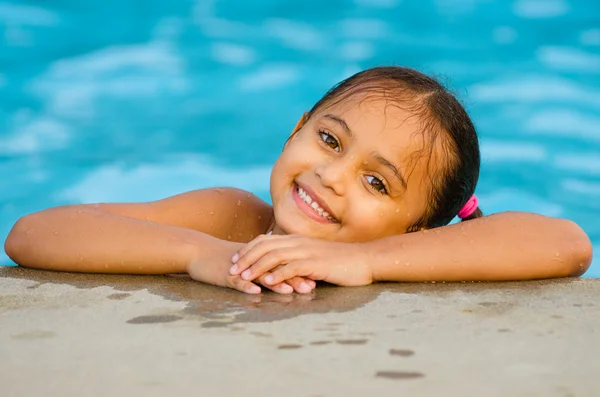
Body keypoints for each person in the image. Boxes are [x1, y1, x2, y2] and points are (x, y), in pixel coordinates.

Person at [4, 67, 593, 295]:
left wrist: (369, 261)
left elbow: (568, 244)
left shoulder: (411, 251)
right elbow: (33, 232)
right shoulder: (234, 217)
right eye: (330, 140)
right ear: (296, 129)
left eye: (376, 183)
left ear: (418, 227)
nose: (331, 176)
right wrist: (201, 254)